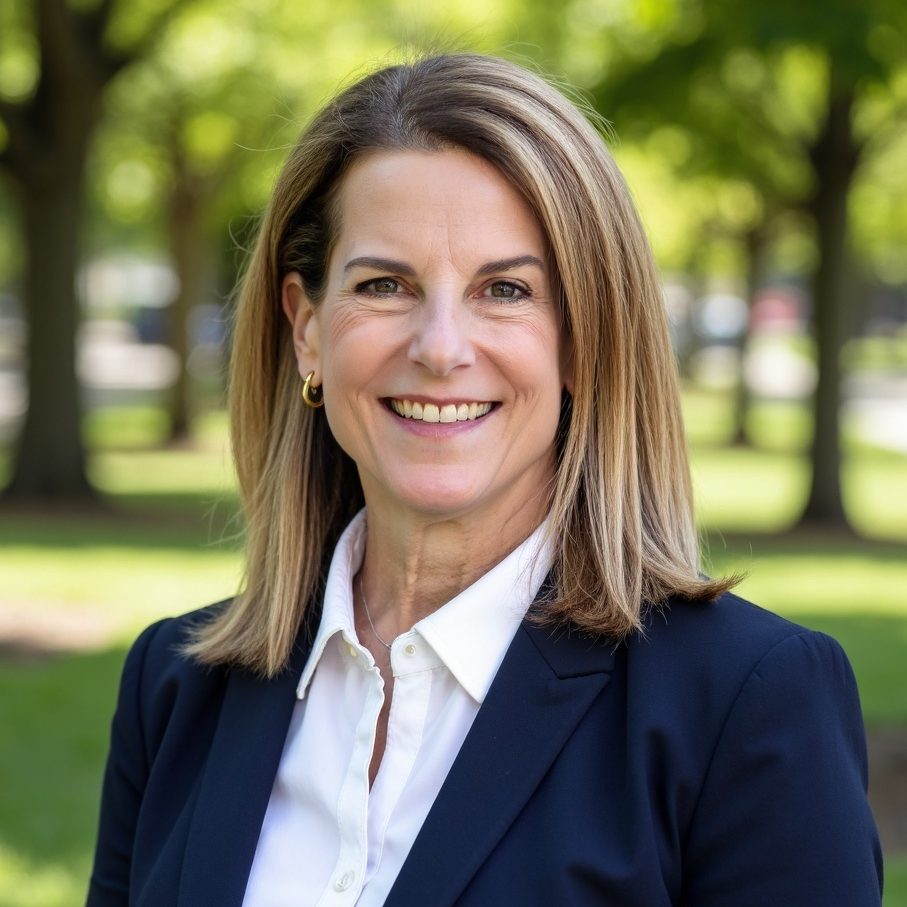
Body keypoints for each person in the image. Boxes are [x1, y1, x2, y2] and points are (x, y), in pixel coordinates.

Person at [86, 54, 882, 907]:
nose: (439, 348)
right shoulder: (176, 688)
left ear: (583, 338)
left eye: (503, 289)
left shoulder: (744, 702)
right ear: (307, 327)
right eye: (384, 285)